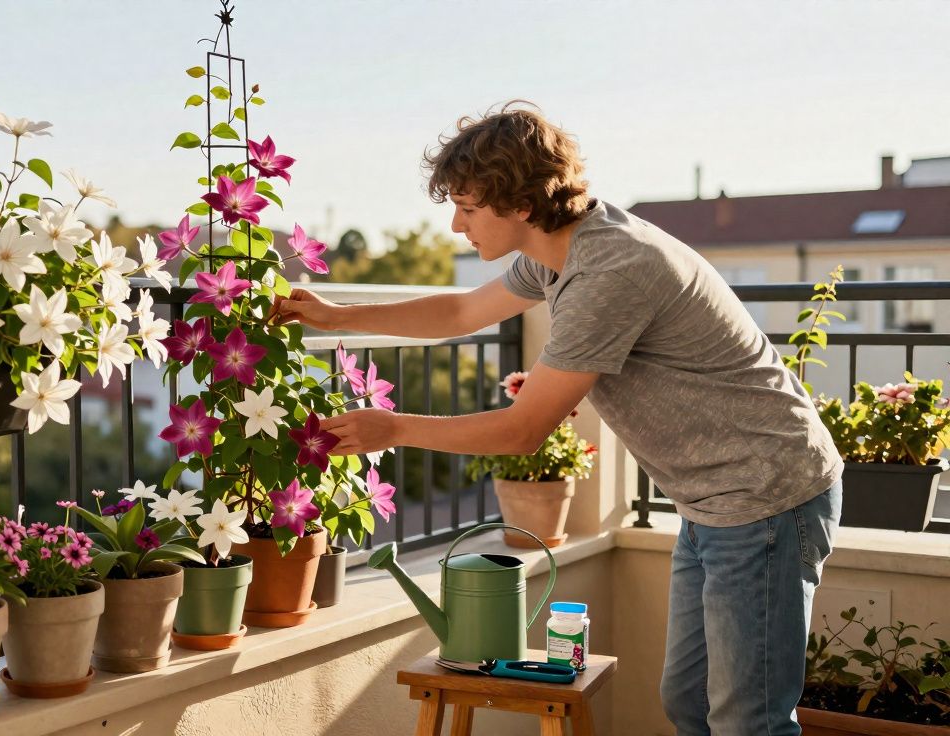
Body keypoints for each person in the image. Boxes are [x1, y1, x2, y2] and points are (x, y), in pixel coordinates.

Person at [273, 101, 842, 736]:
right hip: (711, 503)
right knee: (690, 705)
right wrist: (339, 315)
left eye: (466, 207)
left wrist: (394, 427)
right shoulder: (555, 253)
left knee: (749, 723)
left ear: (519, 205)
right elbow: (463, 314)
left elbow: (522, 431)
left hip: (765, 497)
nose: (457, 226)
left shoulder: (610, 268)